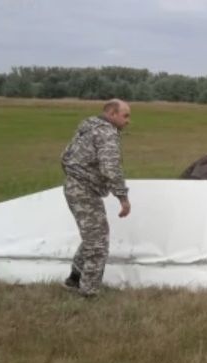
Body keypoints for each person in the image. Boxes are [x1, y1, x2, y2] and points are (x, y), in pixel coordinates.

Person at [60, 99, 132, 297]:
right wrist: (122, 197)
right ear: (111, 114)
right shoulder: (106, 133)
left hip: (75, 186)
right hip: (83, 190)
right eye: (125, 116)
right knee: (98, 243)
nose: (128, 121)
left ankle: (74, 279)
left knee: (93, 236)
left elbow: (65, 156)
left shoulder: (88, 127)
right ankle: (88, 292)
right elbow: (111, 168)